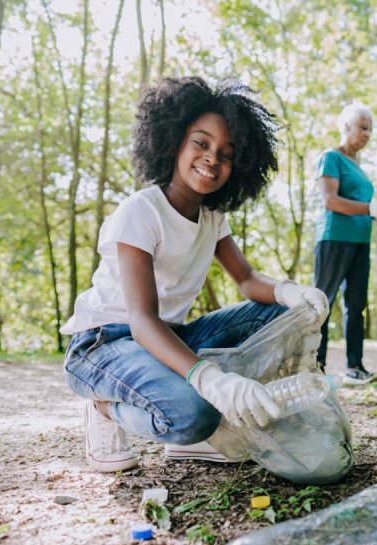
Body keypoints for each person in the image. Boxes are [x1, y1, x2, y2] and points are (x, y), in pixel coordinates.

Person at [60, 77, 329, 472]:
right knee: (194, 413)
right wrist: (210, 380)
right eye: (201, 143)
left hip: (168, 336)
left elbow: (248, 280)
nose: (212, 159)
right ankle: (105, 407)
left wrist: (293, 293)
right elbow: (142, 321)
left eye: (226, 153)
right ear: (173, 141)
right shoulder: (141, 211)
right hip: (104, 344)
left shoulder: (212, 217)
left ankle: (199, 425)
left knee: (276, 313)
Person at [313, 102, 377, 385]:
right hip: (334, 238)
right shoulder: (331, 157)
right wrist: (371, 209)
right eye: (362, 128)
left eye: (370, 130)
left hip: (361, 243)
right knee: (323, 303)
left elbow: (368, 206)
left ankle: (355, 367)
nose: (367, 134)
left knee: (356, 305)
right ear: (347, 127)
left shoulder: (359, 168)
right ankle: (315, 366)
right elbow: (330, 201)